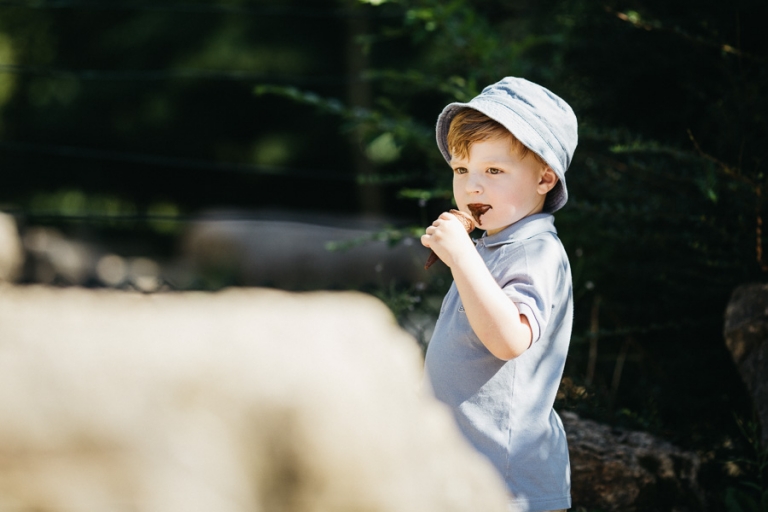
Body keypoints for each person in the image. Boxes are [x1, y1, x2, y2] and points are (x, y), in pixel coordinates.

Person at [421, 76, 577, 512]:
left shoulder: (536, 252)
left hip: (507, 486)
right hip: (467, 475)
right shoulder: (494, 245)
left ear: (544, 178)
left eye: (493, 171)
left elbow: (509, 340)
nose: (472, 186)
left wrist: (461, 259)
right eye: (461, 169)